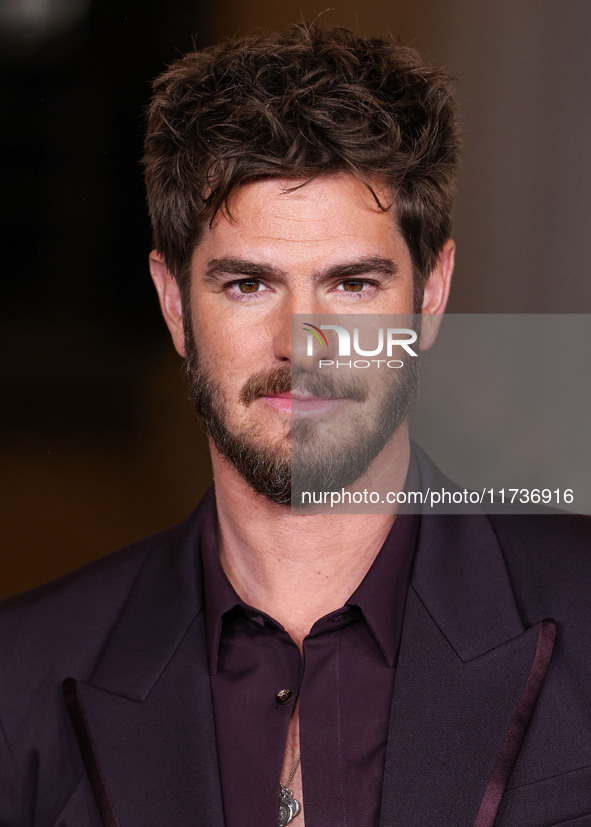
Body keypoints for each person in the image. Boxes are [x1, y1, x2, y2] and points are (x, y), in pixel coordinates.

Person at [1, 23, 590, 827]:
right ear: (175, 304)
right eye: (248, 283)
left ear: (430, 296)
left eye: (350, 284)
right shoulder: (20, 675)